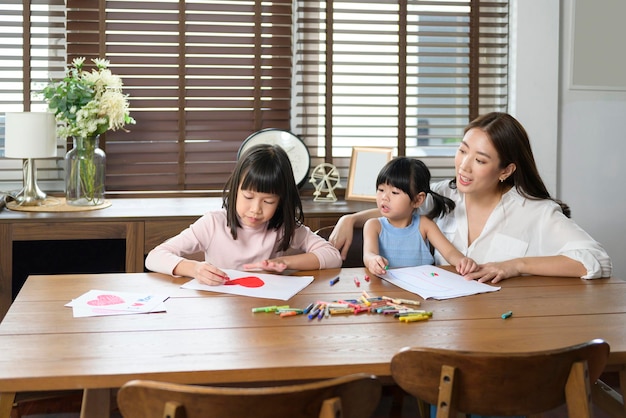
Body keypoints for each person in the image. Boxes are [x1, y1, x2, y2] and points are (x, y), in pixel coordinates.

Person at [331, 112, 612, 283]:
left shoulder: (536, 212)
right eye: (462, 151)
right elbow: (400, 208)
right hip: (443, 319)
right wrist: (352, 218)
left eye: (479, 160)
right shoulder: (443, 195)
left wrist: (516, 265)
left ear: (506, 170)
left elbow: (596, 260)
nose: (463, 166)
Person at [145, 143, 342, 285]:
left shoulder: (282, 227)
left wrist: (283, 263)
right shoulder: (213, 223)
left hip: (264, 309)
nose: (256, 209)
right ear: (235, 190)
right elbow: (154, 257)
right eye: (248, 197)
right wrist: (195, 269)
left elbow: (333, 256)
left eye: (268, 201)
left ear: (281, 201)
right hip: (219, 312)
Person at [363, 156, 478, 276]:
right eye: (381, 190)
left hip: (423, 289)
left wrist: (462, 261)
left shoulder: (425, 225)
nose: (384, 197)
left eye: (395, 192)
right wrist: (373, 260)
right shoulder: (373, 226)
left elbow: (449, 252)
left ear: (418, 200)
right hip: (387, 289)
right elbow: (369, 254)